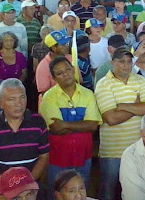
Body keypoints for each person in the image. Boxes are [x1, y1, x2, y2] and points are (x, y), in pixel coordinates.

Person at [94, 47, 145, 200]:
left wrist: (121, 105)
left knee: (135, 193)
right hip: (113, 152)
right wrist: (136, 106)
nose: (126, 65)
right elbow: (111, 118)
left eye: (129, 61)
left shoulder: (139, 80)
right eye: (121, 61)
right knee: (108, 194)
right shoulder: (103, 84)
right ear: (112, 63)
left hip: (138, 150)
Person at [39, 56, 102, 192]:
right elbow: (56, 128)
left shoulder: (88, 94)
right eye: (59, 73)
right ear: (54, 78)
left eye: (67, 69)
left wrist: (65, 124)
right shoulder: (49, 97)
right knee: (56, 195)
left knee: (80, 194)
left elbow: (92, 126)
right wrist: (82, 125)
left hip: (83, 155)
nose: (66, 74)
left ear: (73, 70)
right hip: (58, 157)